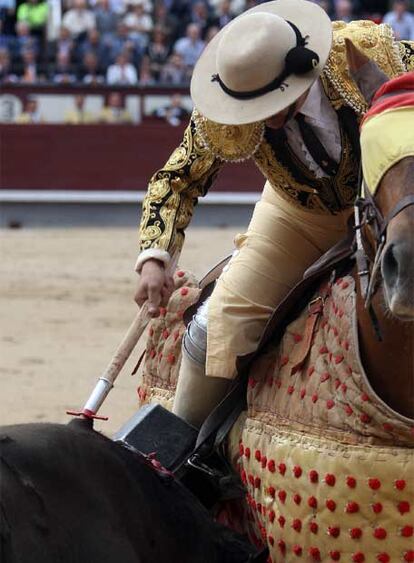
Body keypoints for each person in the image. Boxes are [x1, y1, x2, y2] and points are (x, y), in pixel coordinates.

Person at [135, 0, 414, 427]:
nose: (265, 120)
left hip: (396, 206)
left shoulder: (368, 53)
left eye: (274, 102)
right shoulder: (227, 101)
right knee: (219, 327)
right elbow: (177, 179)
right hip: (299, 217)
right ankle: (187, 456)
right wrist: (155, 257)